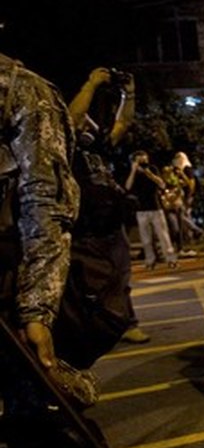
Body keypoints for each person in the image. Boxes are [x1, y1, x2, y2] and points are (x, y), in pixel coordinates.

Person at [0, 53, 129, 448]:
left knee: (47, 439)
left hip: (22, 282)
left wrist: (38, 309)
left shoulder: (18, 87)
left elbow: (45, 202)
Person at [66, 67, 148, 348]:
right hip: (85, 227)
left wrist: (129, 93)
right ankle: (90, 327)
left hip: (111, 222)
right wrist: (91, 84)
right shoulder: (63, 144)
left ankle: (126, 323)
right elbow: (71, 119)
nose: (87, 119)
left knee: (120, 277)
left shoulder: (96, 146)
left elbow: (122, 124)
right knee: (92, 283)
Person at [125, 150, 178, 271]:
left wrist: (148, 173)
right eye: (139, 159)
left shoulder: (152, 169)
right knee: (146, 239)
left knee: (163, 236)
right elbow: (127, 187)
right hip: (141, 210)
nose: (142, 161)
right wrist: (133, 170)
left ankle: (171, 259)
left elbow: (162, 184)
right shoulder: (133, 173)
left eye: (143, 158)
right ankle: (150, 261)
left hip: (155, 207)